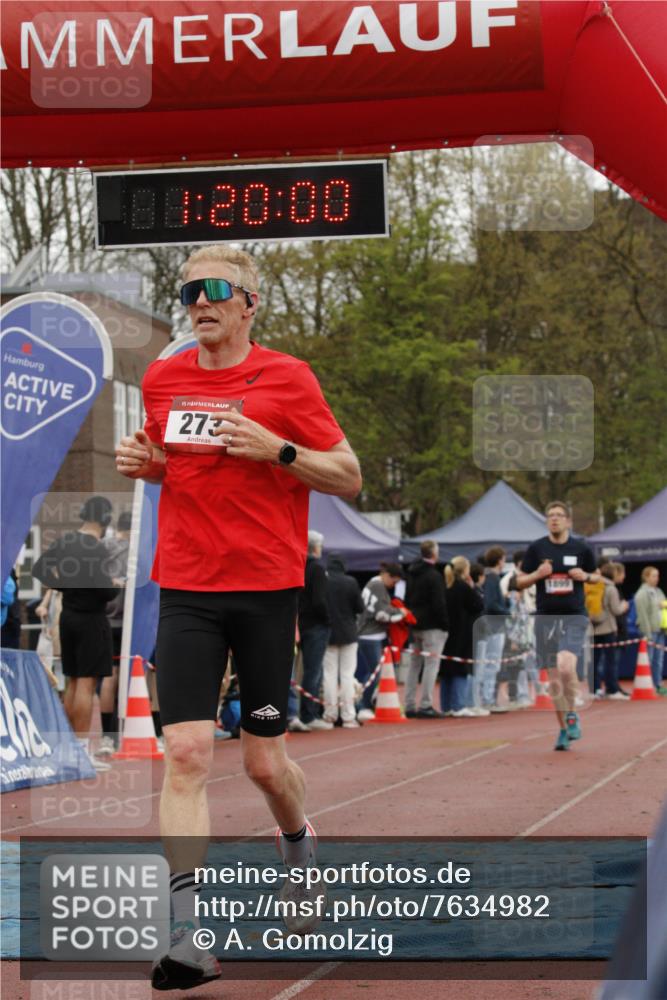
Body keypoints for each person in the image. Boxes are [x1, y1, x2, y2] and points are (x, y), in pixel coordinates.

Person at [115, 245, 361, 991]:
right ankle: (188, 937)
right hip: (185, 582)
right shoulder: (163, 374)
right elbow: (176, 461)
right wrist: (145, 461)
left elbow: (348, 476)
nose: (198, 301)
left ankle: (298, 846)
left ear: (250, 302)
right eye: (187, 290)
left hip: (264, 589)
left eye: (215, 289)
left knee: (262, 762)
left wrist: (278, 449)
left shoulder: (288, 378)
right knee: (187, 751)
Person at [32, 496, 118, 770]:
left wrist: (63, 585)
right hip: (92, 620)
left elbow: (39, 569)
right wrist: (115, 585)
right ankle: (80, 751)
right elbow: (106, 591)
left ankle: (68, 750)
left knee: (71, 681)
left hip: (67, 617)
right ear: (104, 519)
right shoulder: (97, 548)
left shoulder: (66, 541)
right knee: (86, 684)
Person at [516, 500, 599, 751]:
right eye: (550, 516)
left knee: (565, 666)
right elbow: (519, 583)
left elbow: (597, 576)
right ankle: (564, 729)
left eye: (559, 515)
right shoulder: (536, 549)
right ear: (547, 521)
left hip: (574, 615)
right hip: (545, 617)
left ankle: (572, 715)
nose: (554, 519)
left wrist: (585, 576)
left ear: (568, 521)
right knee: (553, 680)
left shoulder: (582, 548)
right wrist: (537, 575)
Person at [98, 509, 132, 754]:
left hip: (103, 619)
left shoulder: (100, 547)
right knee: (128, 677)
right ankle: (118, 735)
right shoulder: (134, 549)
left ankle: (107, 737)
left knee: (108, 677)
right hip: (126, 621)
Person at [356, 562, 406, 721]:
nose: (394, 585)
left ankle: (362, 704)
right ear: (386, 575)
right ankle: (363, 705)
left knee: (367, 673)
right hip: (370, 636)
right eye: (394, 581)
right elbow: (382, 614)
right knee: (374, 674)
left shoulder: (374, 584)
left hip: (370, 635)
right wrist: (401, 612)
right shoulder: (377, 586)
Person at [404, 541, 449, 718]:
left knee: (414, 665)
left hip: (415, 624)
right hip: (432, 626)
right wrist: (445, 624)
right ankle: (426, 704)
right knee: (432, 665)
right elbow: (439, 603)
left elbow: (407, 598)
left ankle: (409, 703)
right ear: (434, 554)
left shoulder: (412, 573)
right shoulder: (434, 576)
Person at [322, 552, 364, 727]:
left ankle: (330, 715)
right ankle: (348, 716)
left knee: (329, 676)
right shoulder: (351, 582)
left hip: (328, 632)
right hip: (349, 633)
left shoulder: (323, 582)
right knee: (347, 675)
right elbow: (360, 607)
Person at [297, 531, 332, 731]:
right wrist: (327, 620)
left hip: (300, 622)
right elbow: (319, 600)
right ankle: (310, 714)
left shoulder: (300, 565)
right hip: (316, 625)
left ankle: (301, 711)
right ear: (317, 547)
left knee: (300, 671)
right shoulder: (318, 568)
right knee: (313, 670)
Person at [441, 557, 483, 717]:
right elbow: (478, 605)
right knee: (461, 667)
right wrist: (473, 587)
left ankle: (446, 706)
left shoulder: (447, 586)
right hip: (462, 632)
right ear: (465, 571)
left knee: (446, 669)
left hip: (447, 632)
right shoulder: (463, 588)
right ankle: (458, 705)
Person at [592, 564, 629, 699]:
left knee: (594, 662)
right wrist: (624, 606)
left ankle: (594, 690)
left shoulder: (593, 587)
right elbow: (616, 610)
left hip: (593, 630)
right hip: (608, 629)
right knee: (610, 661)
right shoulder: (611, 588)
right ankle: (612, 689)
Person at [481, 546, 510, 712]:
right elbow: (491, 604)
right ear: (499, 560)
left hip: (492, 625)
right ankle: (488, 699)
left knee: (491, 664)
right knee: (492, 665)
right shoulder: (492, 578)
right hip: (494, 626)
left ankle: (488, 698)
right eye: (504, 559)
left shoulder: (490, 577)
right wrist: (506, 611)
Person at [634, 566, 667, 694]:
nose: (656, 578)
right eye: (653, 576)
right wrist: (647, 633)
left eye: (657, 575)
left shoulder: (658, 591)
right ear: (646, 577)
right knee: (649, 658)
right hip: (650, 631)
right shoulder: (642, 594)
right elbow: (642, 615)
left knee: (659, 659)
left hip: (660, 630)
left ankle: (658, 684)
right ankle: (649, 686)